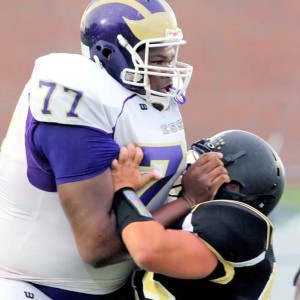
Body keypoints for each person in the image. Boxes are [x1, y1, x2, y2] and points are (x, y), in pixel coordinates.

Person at [0, 0, 230, 299]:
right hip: (33, 288)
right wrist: (186, 199)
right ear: (108, 54)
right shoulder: (76, 101)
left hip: (113, 287)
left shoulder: (142, 95)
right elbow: (98, 247)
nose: (167, 72)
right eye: (156, 61)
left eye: (169, 58)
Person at [110, 129, 286, 299]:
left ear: (233, 187)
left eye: (205, 167)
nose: (188, 173)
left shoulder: (237, 224)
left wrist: (124, 188)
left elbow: (147, 249)